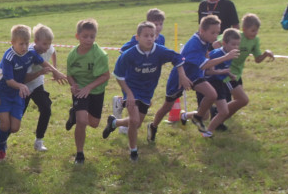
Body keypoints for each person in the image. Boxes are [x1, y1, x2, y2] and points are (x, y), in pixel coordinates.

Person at [103, 20, 186, 161]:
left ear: (156, 37)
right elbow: (118, 75)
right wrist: (128, 93)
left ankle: (114, 123)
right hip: (132, 88)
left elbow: (178, 58)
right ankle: (133, 152)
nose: (149, 38)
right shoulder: (129, 54)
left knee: (137, 123)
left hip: (147, 91)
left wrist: (182, 75)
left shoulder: (159, 51)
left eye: (152, 35)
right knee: (134, 121)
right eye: (145, 35)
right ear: (137, 38)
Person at [0, 24, 64, 161]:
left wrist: (57, 72)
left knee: (15, 127)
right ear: (12, 43)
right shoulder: (9, 57)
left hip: (22, 89)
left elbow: (47, 60)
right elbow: (9, 80)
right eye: (21, 44)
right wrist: (21, 85)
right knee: (7, 125)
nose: (24, 47)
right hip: (5, 90)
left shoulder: (31, 53)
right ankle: (1, 149)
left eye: (26, 43)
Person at [150, 16, 225, 135]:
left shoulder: (204, 38)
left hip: (194, 75)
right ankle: (153, 126)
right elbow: (204, 65)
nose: (216, 36)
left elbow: (205, 52)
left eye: (217, 32)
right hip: (179, 77)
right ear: (202, 31)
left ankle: (197, 118)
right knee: (167, 107)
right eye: (213, 32)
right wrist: (226, 57)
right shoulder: (194, 44)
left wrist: (208, 57)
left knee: (212, 94)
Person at [64, 18, 110, 165]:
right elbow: (69, 74)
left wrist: (89, 87)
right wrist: (73, 85)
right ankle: (80, 154)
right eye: (85, 36)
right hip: (80, 91)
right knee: (82, 121)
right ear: (77, 36)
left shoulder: (100, 55)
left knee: (94, 123)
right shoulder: (72, 54)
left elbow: (105, 75)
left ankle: (73, 114)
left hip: (96, 90)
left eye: (92, 36)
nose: (89, 40)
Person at [225, 13, 274, 121]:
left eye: (257, 30)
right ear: (244, 29)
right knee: (242, 100)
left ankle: (219, 119)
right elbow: (218, 42)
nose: (255, 33)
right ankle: (218, 114)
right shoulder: (236, 35)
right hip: (227, 73)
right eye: (253, 30)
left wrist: (266, 53)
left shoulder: (255, 40)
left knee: (239, 102)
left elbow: (257, 59)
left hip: (237, 73)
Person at [23, 23, 58, 152]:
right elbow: (25, 78)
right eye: (44, 44)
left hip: (37, 84)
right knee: (17, 118)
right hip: (24, 86)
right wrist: (40, 72)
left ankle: (39, 141)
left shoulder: (49, 48)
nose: (47, 47)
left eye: (49, 44)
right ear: (35, 41)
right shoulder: (28, 53)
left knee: (46, 108)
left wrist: (55, 69)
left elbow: (53, 52)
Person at [201, 28, 242, 136]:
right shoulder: (216, 54)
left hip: (219, 83)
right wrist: (223, 71)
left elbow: (224, 67)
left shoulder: (230, 54)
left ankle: (207, 132)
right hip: (211, 83)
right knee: (216, 113)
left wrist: (230, 74)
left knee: (222, 112)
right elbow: (208, 72)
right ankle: (207, 131)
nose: (236, 47)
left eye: (238, 45)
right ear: (224, 43)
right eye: (233, 44)